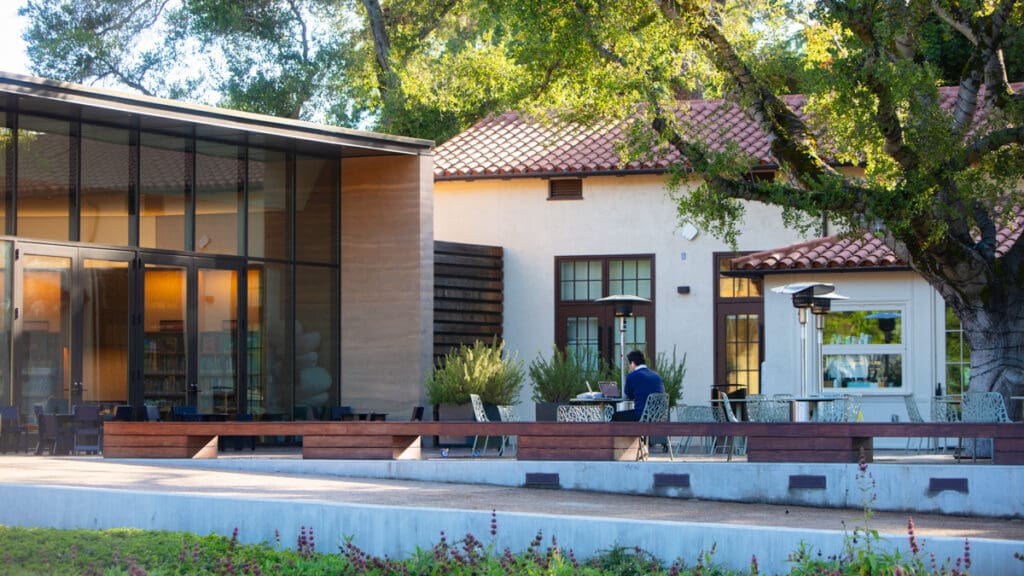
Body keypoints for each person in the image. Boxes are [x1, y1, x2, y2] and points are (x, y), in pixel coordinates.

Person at [613, 350, 665, 421]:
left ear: (632, 363)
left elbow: (629, 395)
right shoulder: (657, 376)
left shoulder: (632, 375)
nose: (629, 367)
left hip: (641, 415)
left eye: (628, 365)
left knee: (615, 416)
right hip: (657, 416)